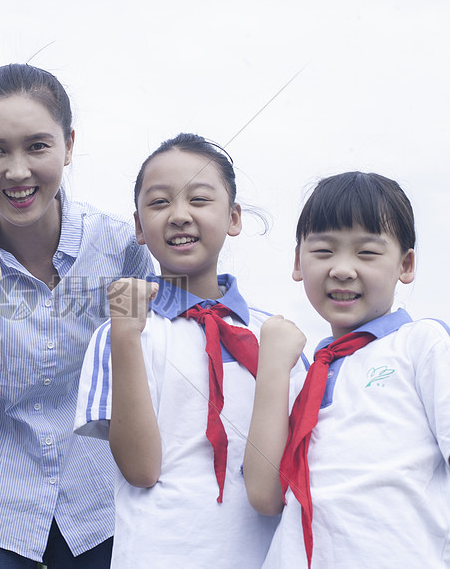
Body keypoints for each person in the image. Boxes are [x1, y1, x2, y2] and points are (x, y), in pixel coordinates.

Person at [0, 63, 153, 568]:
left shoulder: (122, 249)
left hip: (98, 505)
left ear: (68, 144)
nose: (17, 171)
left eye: (37, 147)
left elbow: (141, 373)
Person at [243, 171, 450, 568]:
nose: (342, 269)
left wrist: (409, 547)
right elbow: (265, 496)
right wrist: (271, 369)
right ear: (298, 261)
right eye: (323, 251)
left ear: (405, 264)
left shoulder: (422, 343)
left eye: (367, 253)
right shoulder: (298, 376)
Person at [74, 133, 307, 567]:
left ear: (233, 217)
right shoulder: (120, 331)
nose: (179, 216)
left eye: (199, 199)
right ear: (139, 228)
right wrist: (126, 334)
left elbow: (293, 470)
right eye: (160, 203)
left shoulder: (276, 337)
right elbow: (141, 470)